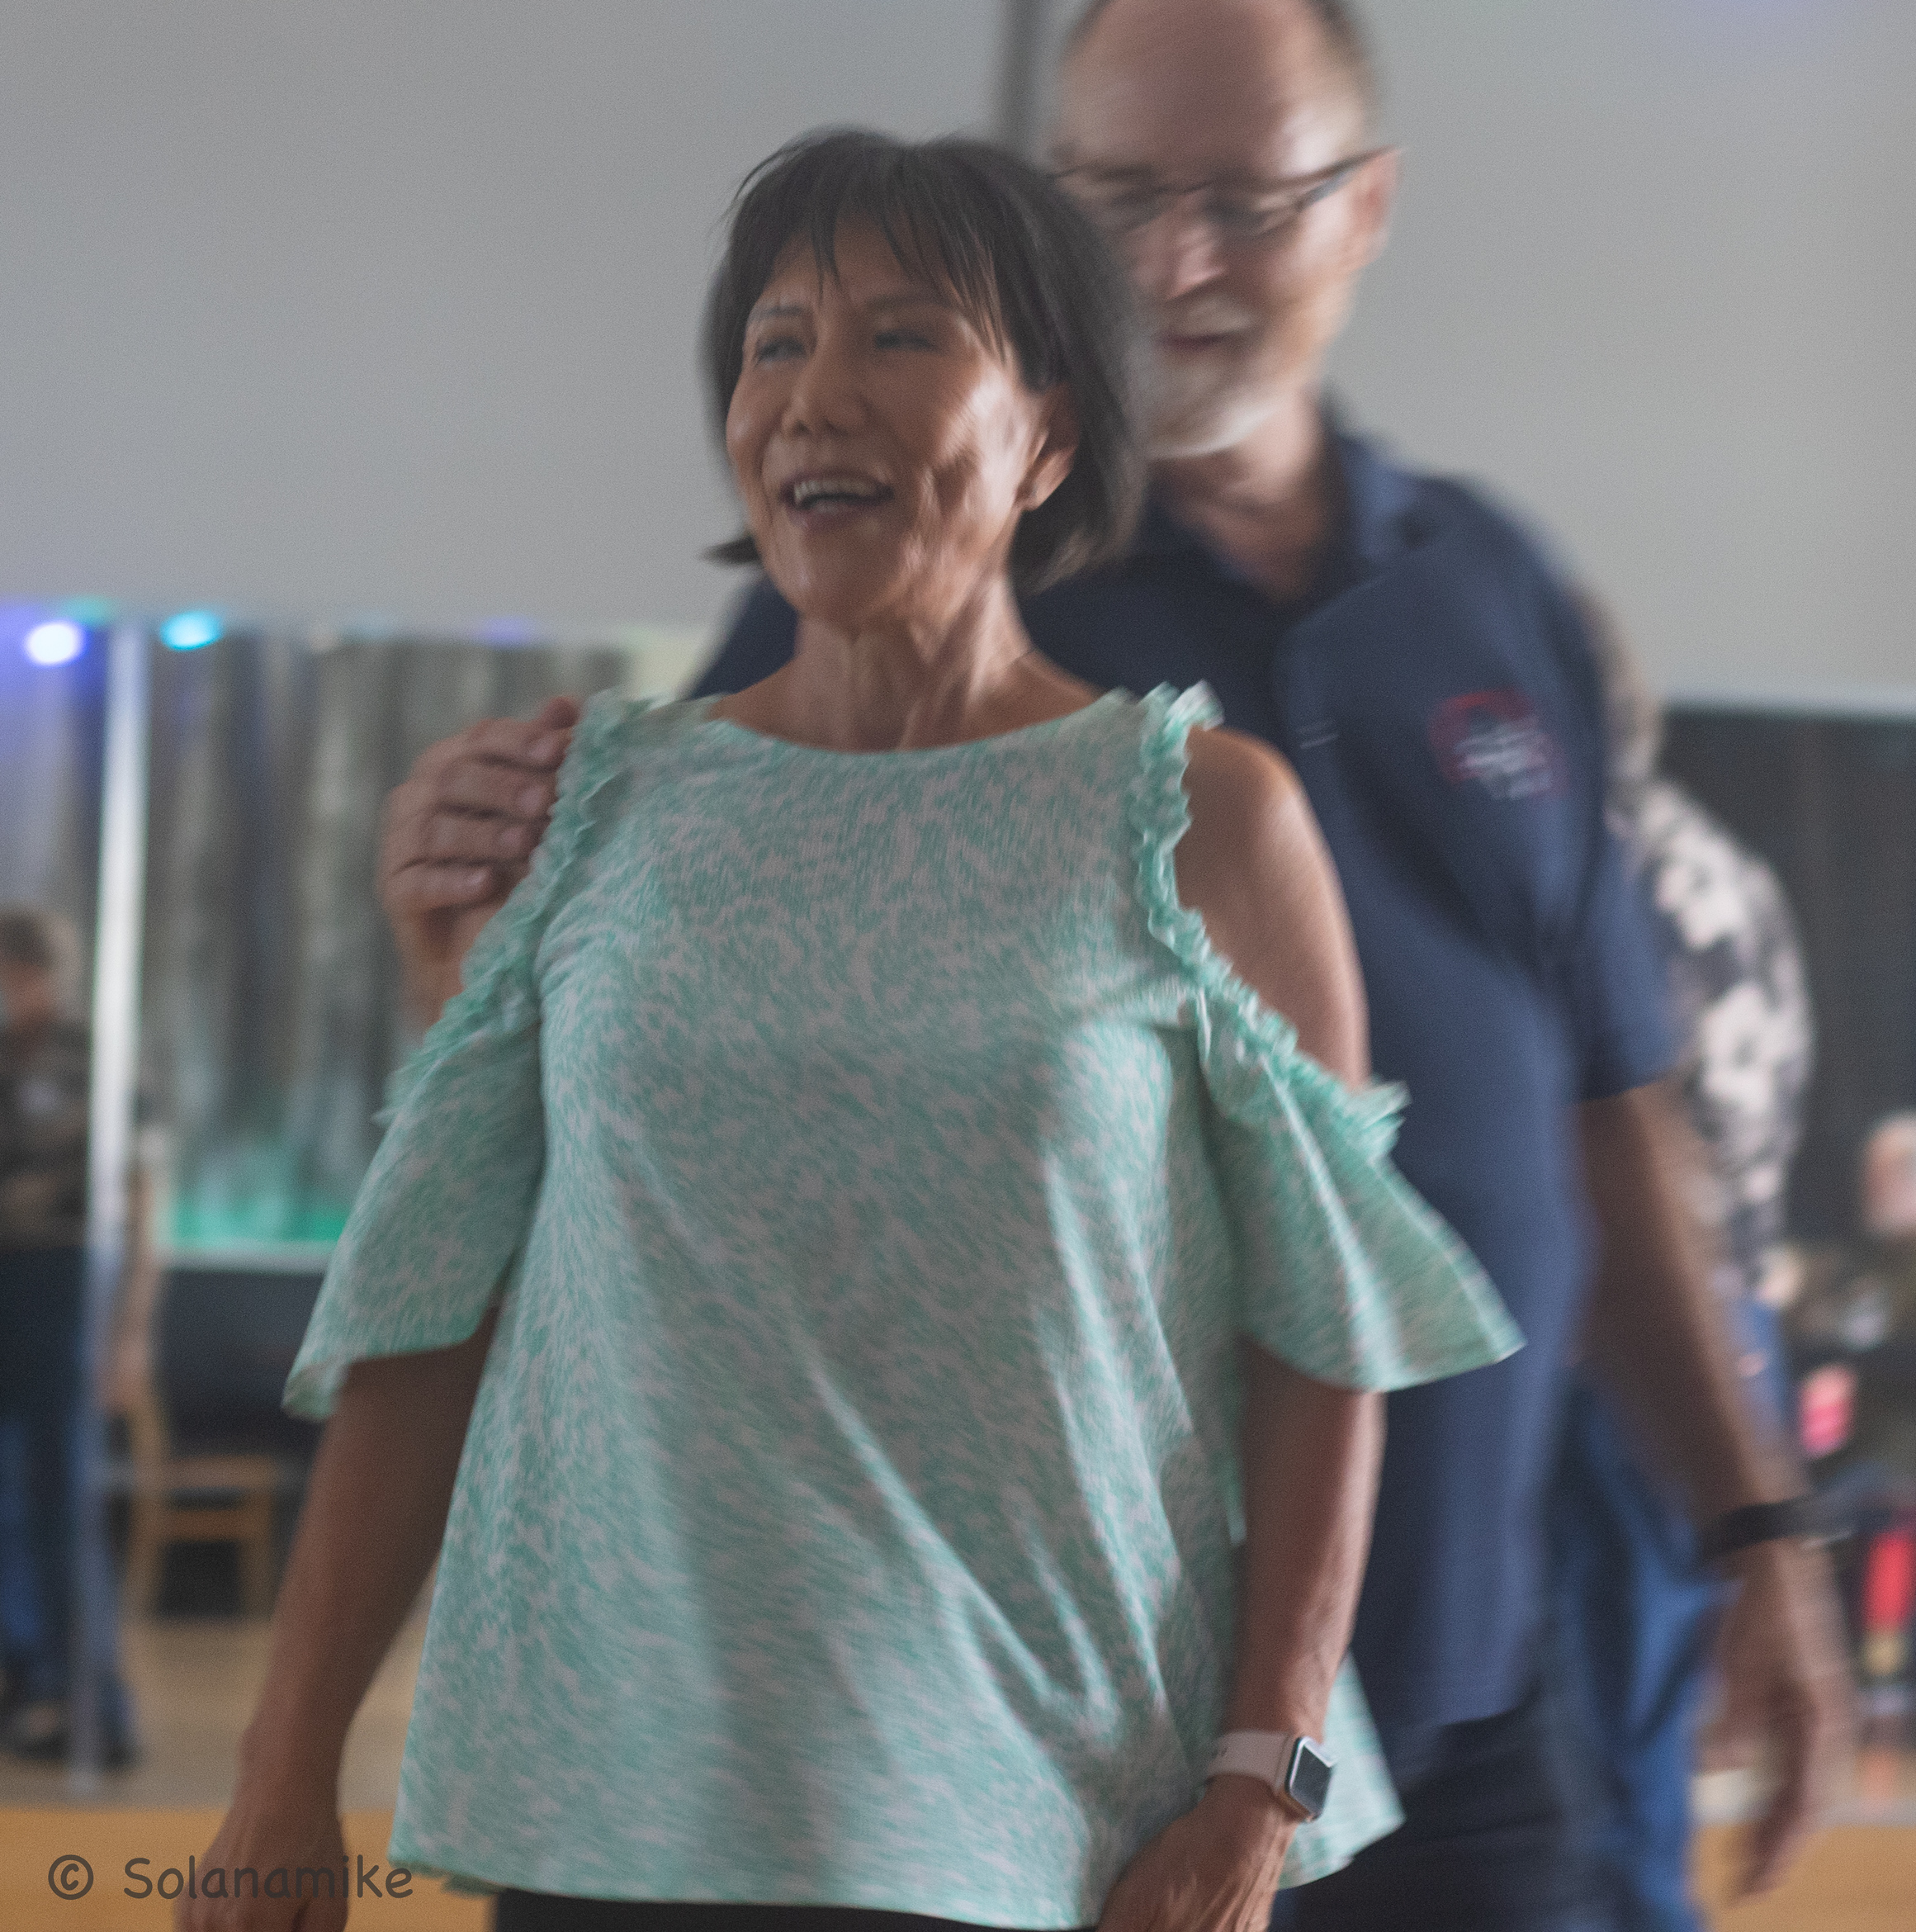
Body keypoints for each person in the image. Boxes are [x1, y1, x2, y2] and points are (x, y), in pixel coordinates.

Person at [380, 0, 1852, 1929]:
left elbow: (1608, 1112)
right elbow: (658, 1111)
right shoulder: (920, 578)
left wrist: (1752, 1521)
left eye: (1243, 200)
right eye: (1117, 197)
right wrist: (463, 947)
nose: (1175, 262)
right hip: (1069, 1749)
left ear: (1366, 204)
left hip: (1466, 1703)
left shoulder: (1485, 585)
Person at [186, 132, 1519, 1931]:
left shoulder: (1202, 817)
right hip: (615, 1813)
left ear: (1046, 434)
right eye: (775, 342)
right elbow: (436, 1311)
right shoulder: (590, 812)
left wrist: (1258, 1783)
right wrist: (282, 1769)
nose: (815, 394)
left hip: (1043, 1819)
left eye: (900, 337)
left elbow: (1323, 1342)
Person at [1551, 590, 1816, 1931]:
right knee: (1641, 1737)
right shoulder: (1731, 867)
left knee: (1597, 1756)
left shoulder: (1603, 874)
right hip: (1739, 1334)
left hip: (1641, 1349)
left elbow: (1611, 1143)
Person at [0, 903, 141, 1768]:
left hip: (64, 1277)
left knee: (63, 1496)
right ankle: (29, 1681)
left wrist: (131, 1333)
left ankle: (93, 1699)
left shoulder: (97, 1055)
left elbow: (143, 1191)